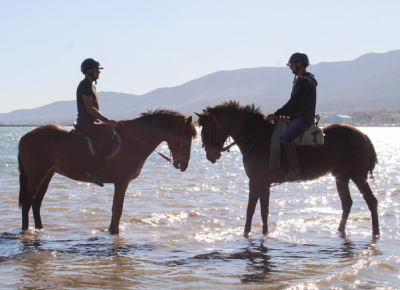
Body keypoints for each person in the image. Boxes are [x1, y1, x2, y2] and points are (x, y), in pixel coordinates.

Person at [266, 52, 318, 181]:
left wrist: (276, 114)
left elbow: (294, 103)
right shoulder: (300, 80)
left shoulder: (305, 81)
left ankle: (295, 172)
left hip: (304, 118)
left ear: (300, 64)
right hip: (297, 117)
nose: (290, 67)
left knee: (287, 138)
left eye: (292, 64)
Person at [76, 58, 118, 187]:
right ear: (89, 71)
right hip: (86, 122)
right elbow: (90, 108)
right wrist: (107, 120)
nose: (99, 72)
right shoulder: (85, 86)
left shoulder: (91, 86)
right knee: (107, 138)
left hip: (92, 121)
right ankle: (93, 171)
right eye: (97, 70)